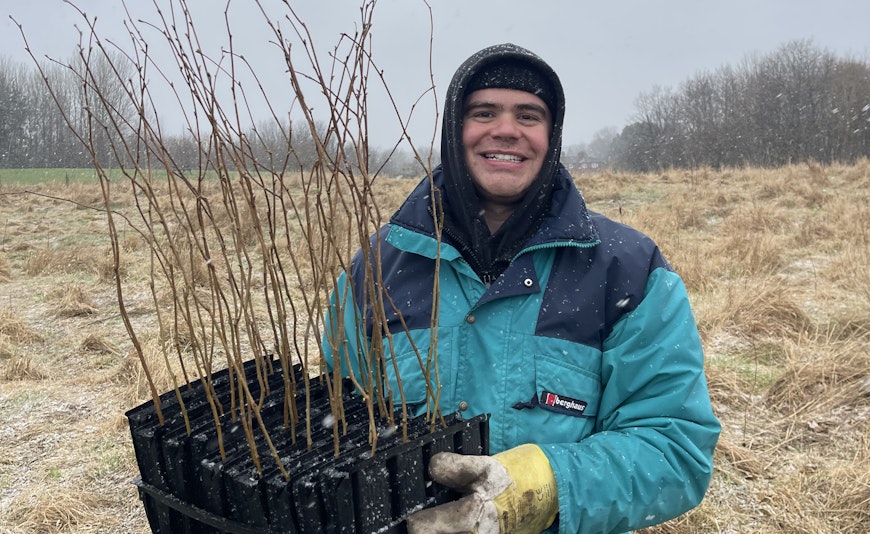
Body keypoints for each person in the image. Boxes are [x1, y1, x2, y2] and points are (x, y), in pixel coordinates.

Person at [322, 43, 720, 534]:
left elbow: (674, 448)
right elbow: (334, 424)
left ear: (550, 137)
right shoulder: (375, 270)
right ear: (453, 131)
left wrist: (549, 484)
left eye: (528, 115)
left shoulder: (629, 272)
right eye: (483, 112)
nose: (506, 129)